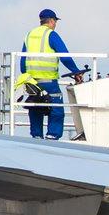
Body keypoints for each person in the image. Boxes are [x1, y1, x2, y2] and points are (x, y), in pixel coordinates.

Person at [18, 7, 86, 140]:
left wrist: (27, 77)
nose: (55, 25)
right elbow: (64, 56)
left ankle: (36, 136)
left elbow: (22, 61)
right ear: (52, 21)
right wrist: (76, 72)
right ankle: (52, 136)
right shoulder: (50, 34)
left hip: (32, 81)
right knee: (57, 109)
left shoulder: (30, 35)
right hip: (49, 82)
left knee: (36, 105)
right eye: (55, 22)